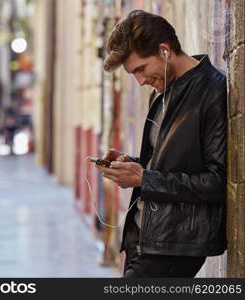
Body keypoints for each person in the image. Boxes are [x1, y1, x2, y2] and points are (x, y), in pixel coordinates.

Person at [96, 10, 227, 277]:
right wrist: (130, 165)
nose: (141, 81)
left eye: (141, 69)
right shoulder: (164, 91)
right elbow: (168, 163)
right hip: (143, 240)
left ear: (164, 51)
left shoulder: (212, 91)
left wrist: (145, 178)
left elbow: (217, 182)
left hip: (174, 247)